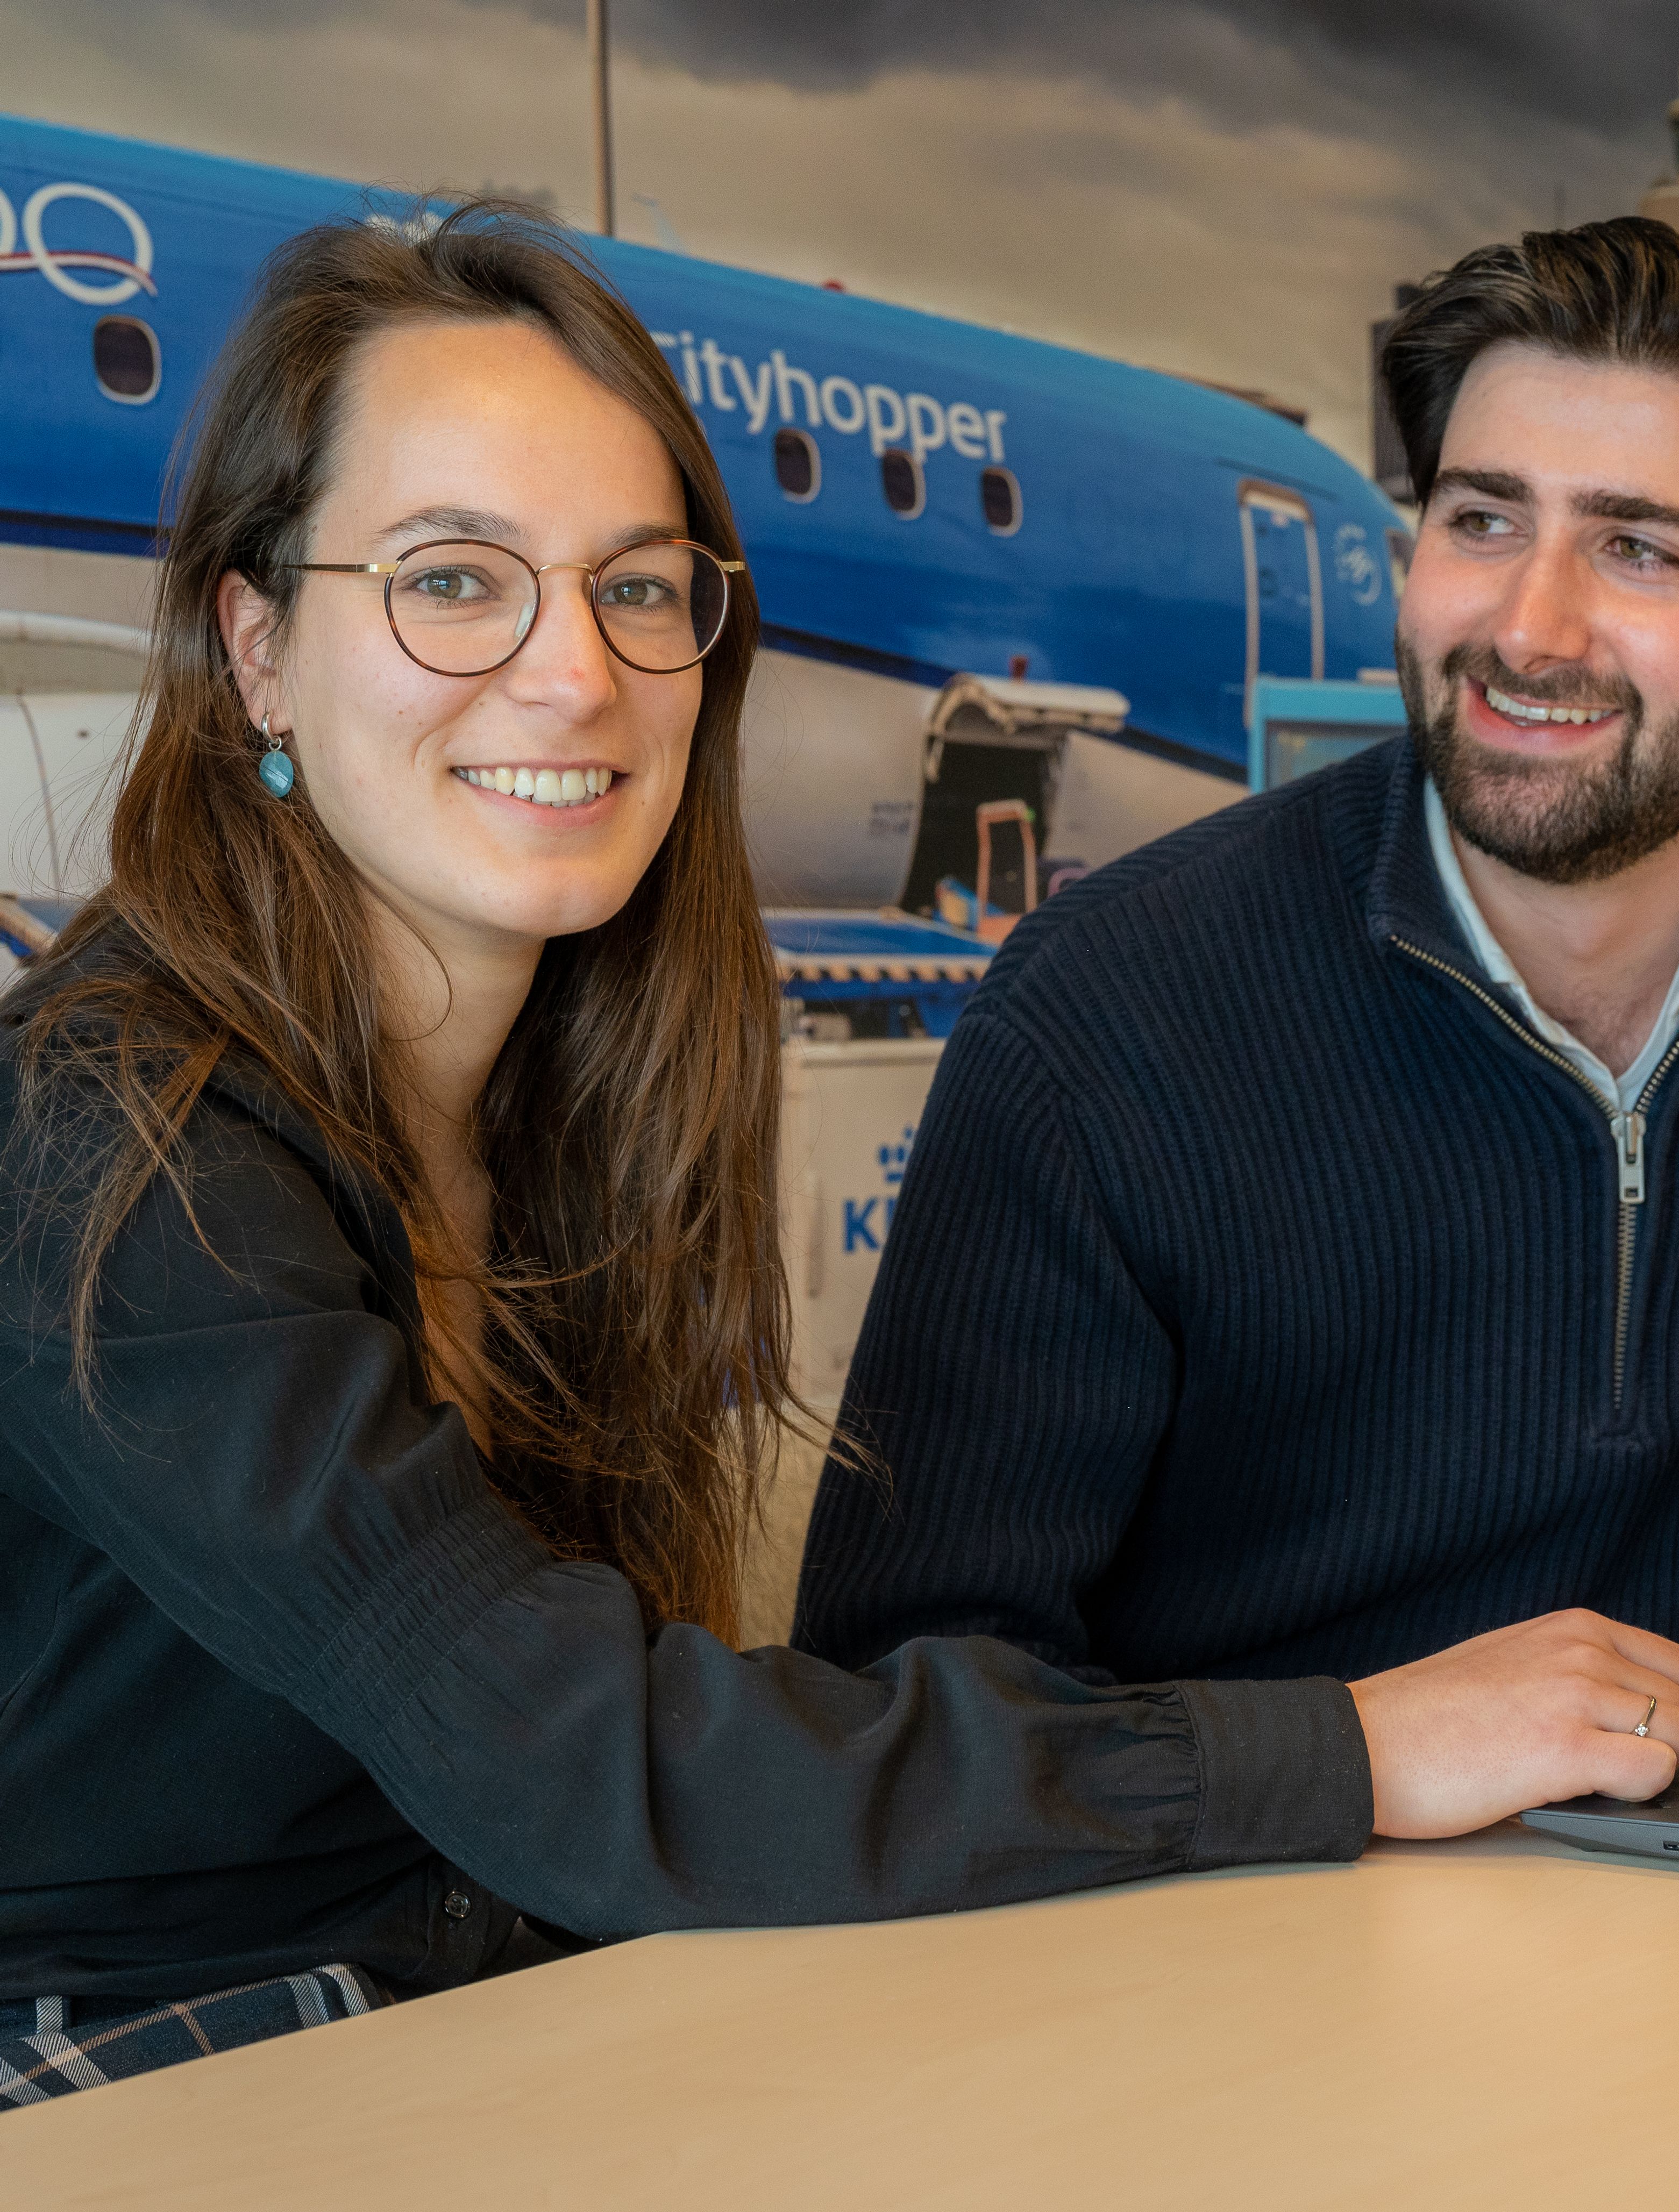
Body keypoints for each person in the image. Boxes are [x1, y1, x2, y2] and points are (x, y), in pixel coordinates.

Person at [0, 206, 1423, 2108]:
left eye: (639, 588)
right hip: (128, 2068)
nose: (574, 673)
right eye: (451, 579)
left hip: (469, 2000)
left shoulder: (578, 1102)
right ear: (257, 647)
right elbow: (589, 1763)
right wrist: (1341, 1752)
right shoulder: (103, 1134)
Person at [795, 218, 1679, 1839]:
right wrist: (1346, 1744)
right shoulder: (1107, 1012)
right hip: (1195, 1949)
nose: (1527, 628)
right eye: (1481, 519)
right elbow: (884, 1718)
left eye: (1640, 550)